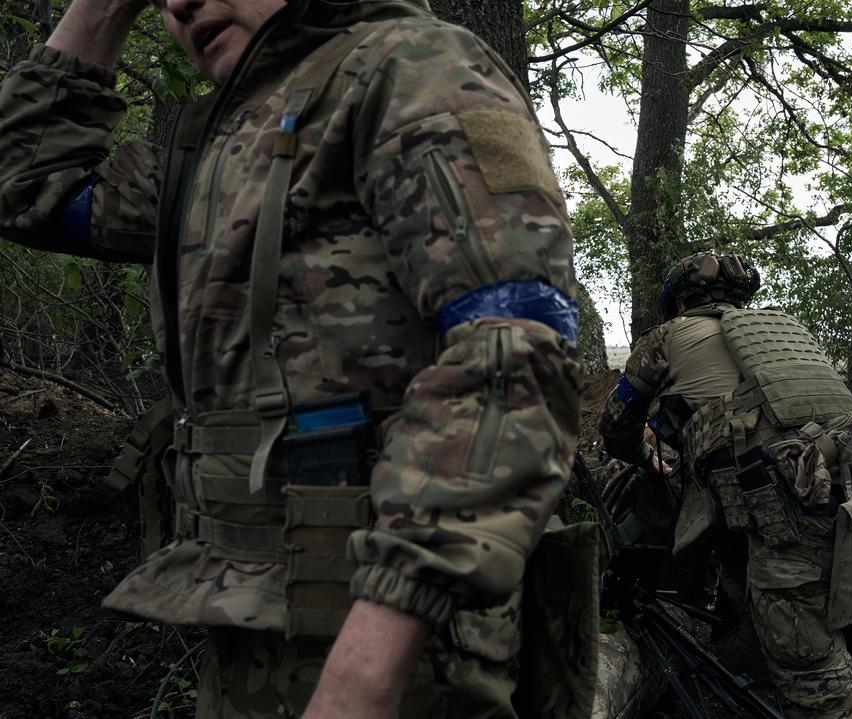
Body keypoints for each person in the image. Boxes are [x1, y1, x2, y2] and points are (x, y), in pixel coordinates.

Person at [0, 0, 591, 717]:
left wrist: (365, 671)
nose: (181, 5)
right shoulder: (213, 152)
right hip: (248, 625)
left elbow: (515, 351)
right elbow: (25, 182)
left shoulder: (410, 68)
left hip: (400, 652)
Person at [598, 251, 852, 719]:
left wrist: (642, 455)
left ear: (678, 304)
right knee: (755, 569)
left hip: (784, 498)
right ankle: (768, 638)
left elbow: (617, 423)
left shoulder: (668, 335)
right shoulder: (783, 331)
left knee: (817, 689)